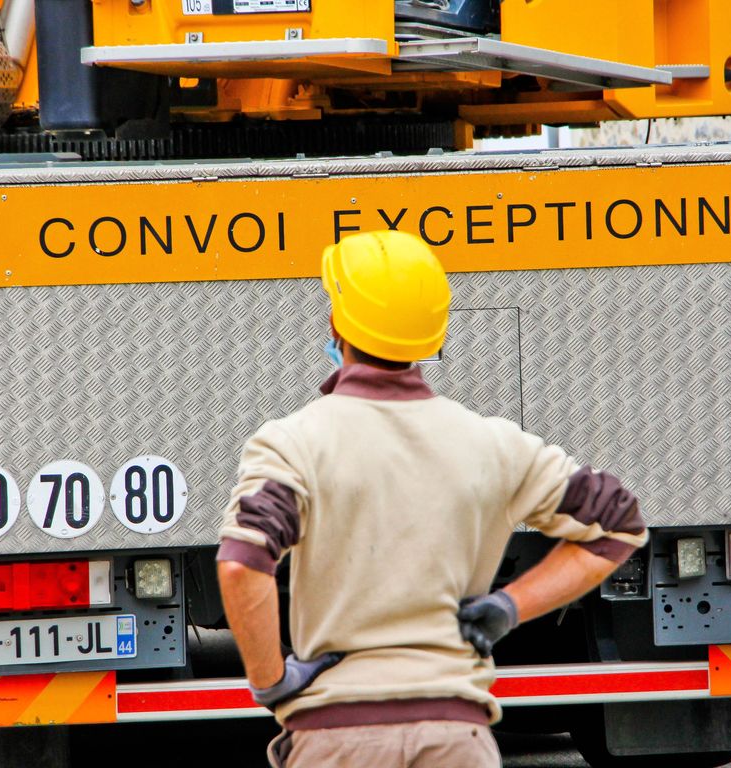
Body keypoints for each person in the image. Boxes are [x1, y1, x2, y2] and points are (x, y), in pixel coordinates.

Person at [216, 230, 647, 767]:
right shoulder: (492, 444)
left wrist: (272, 682)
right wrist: (508, 606)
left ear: (336, 328)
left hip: (336, 737)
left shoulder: (292, 443)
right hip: (454, 737)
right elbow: (618, 522)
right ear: (434, 335)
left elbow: (241, 565)